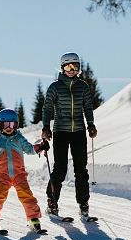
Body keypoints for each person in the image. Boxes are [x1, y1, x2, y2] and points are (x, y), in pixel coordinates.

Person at [42, 52, 97, 218]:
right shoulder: (55, 87)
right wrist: (46, 127)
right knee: (60, 168)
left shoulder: (83, 87)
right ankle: (52, 201)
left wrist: (91, 125)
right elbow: (48, 108)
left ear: (79, 68)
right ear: (62, 68)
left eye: (75, 67)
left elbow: (88, 107)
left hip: (79, 132)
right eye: (68, 67)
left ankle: (83, 203)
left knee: (81, 169)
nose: (72, 70)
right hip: (61, 132)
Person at [0, 108, 49, 232]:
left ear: (16, 125)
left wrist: (40, 147)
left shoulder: (19, 139)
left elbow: (30, 149)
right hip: (3, 175)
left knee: (27, 196)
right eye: (5, 124)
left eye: (12, 124)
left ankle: (34, 218)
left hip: (19, 174)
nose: (9, 127)